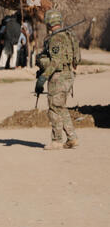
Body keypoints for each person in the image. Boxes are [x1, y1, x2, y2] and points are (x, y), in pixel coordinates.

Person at [35, 9, 80, 150]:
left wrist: (43, 77)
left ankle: (57, 140)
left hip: (58, 77)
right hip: (68, 75)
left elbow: (55, 62)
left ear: (48, 22)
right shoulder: (69, 35)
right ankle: (72, 138)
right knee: (60, 107)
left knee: (54, 109)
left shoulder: (56, 39)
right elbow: (76, 59)